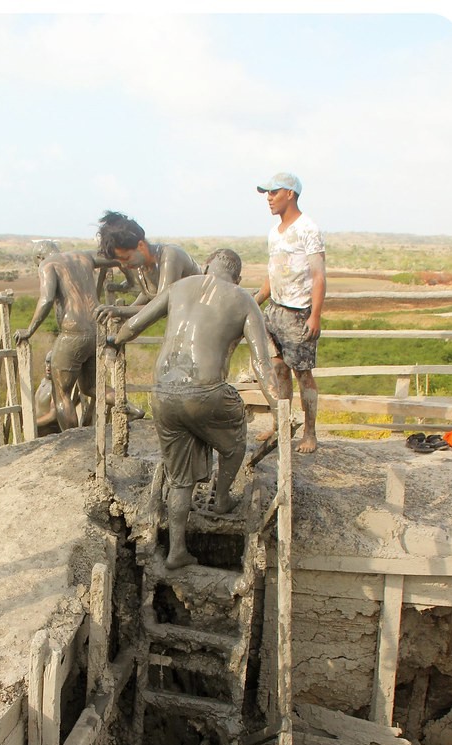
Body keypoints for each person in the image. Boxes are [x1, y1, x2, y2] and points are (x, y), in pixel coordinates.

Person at [112, 248, 278, 570]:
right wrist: (278, 406)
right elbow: (261, 363)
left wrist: (112, 341)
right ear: (238, 277)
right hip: (206, 393)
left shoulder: (179, 286)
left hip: (162, 394)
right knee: (234, 441)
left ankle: (177, 551)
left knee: (179, 479)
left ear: (205, 268)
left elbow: (132, 326)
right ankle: (221, 497)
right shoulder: (244, 299)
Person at [15, 240, 143, 430]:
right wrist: (131, 282)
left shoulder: (48, 265)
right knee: (90, 387)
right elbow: (118, 257)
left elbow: (47, 298)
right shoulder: (84, 256)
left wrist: (30, 330)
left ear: (39, 257)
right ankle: (132, 409)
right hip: (96, 329)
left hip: (73, 331)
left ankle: (72, 437)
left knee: (61, 391)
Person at [254, 172, 326, 454]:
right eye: (267, 194)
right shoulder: (275, 233)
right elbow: (274, 273)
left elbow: (319, 276)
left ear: (290, 194)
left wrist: (315, 315)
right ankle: (280, 423)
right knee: (279, 369)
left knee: (303, 374)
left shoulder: (308, 229)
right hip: (276, 311)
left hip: (299, 312)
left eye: (273, 193)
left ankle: (309, 432)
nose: (269, 199)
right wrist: (257, 300)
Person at [95, 211, 202, 324]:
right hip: (182, 317)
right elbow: (148, 294)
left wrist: (122, 311)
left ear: (140, 246)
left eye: (126, 258)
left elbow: (162, 305)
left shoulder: (170, 256)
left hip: (201, 313)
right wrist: (124, 312)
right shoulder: (138, 265)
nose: (123, 265)